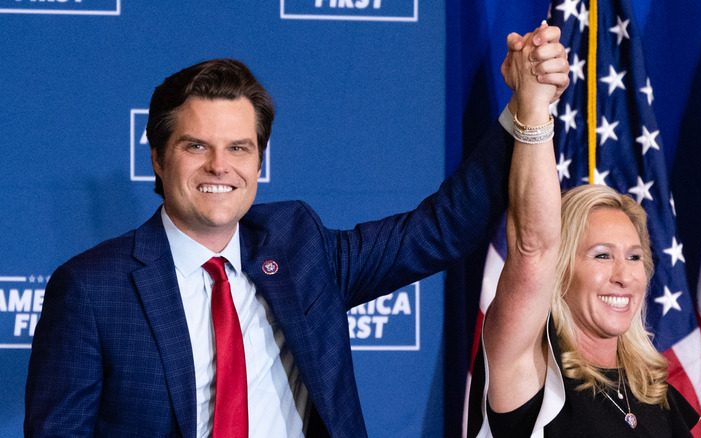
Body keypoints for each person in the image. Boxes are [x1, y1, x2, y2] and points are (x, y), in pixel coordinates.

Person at [24, 25, 570, 438]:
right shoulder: (92, 289)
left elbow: (441, 229)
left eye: (239, 148)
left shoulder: (298, 247)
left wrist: (527, 107)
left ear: (259, 162)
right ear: (159, 161)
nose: (221, 166)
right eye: (196, 146)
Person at [472, 27, 700, 437]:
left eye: (634, 257)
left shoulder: (656, 395)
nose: (624, 274)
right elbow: (531, 247)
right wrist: (534, 104)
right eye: (601, 255)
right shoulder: (533, 372)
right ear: (558, 270)